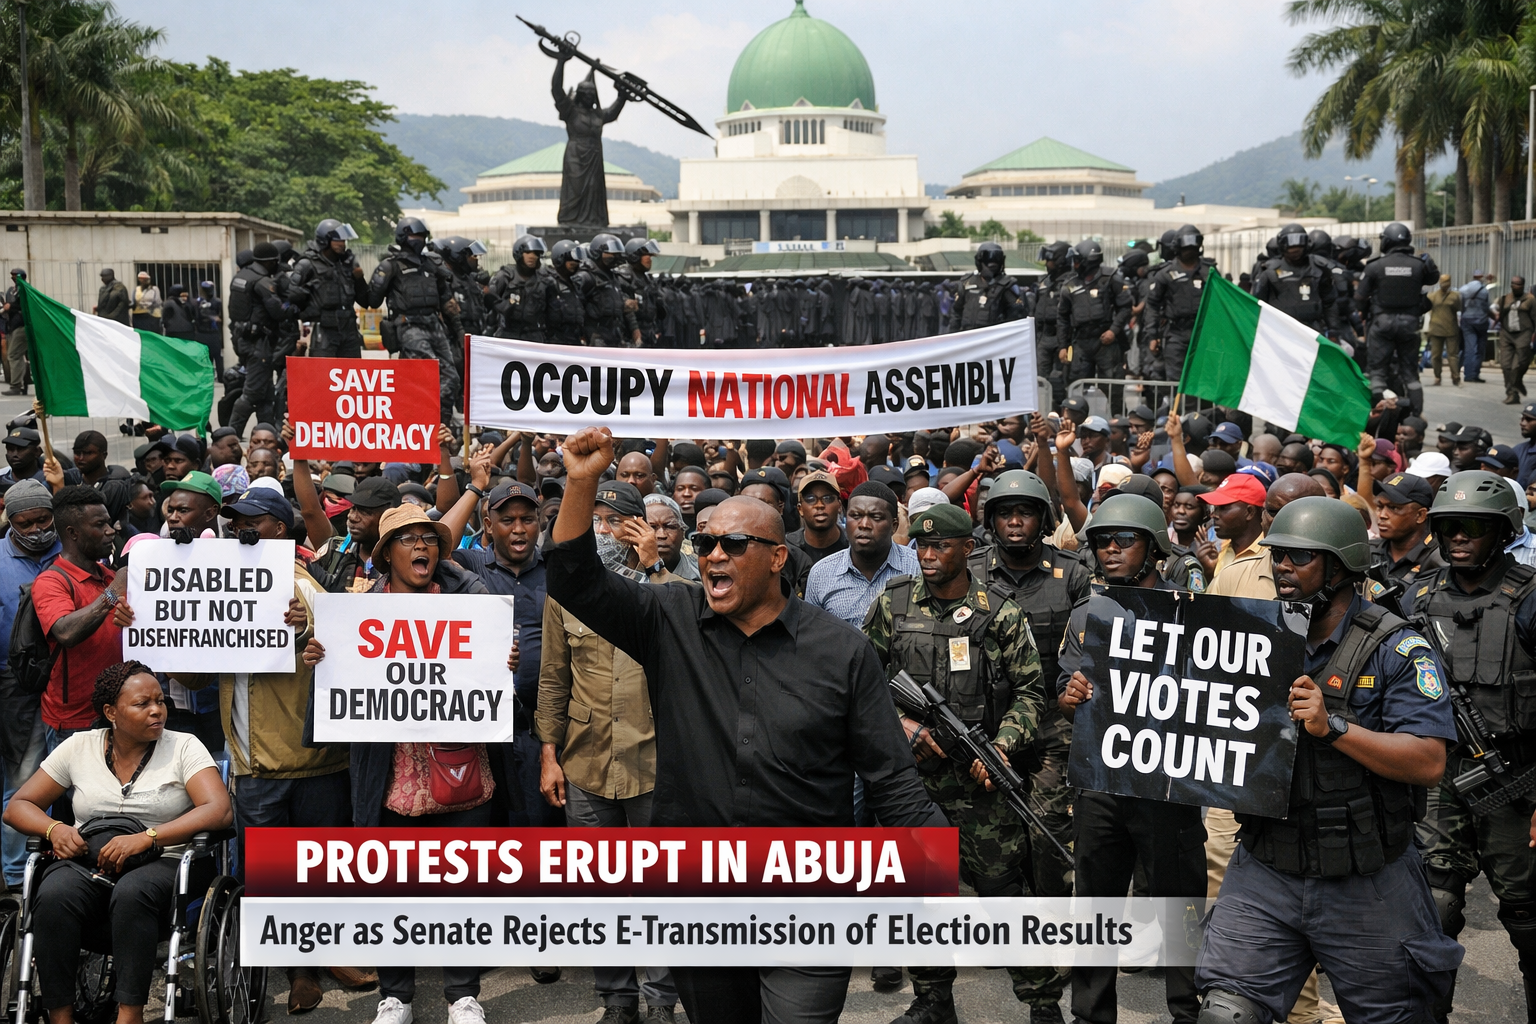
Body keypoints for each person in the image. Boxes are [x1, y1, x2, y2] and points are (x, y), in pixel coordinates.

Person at [544, 426, 945, 1024]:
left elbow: (891, 780)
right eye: (705, 544)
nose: (713, 556)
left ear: (777, 557)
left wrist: (936, 870)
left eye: (733, 544)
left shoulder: (842, 652)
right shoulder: (667, 618)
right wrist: (580, 481)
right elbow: (573, 580)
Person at [1191, 495, 1462, 1022]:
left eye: (1300, 557)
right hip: (1267, 864)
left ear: (1340, 567)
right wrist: (1101, 698)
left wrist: (1332, 727)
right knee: (1226, 1014)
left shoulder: (1395, 649)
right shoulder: (1252, 636)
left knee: (1397, 1016)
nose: (1282, 568)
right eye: (1278, 556)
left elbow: (1428, 761)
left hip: (1366, 876)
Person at [304, 504, 517, 1024]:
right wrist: (322, 662)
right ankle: (395, 996)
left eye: (429, 539)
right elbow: (338, 703)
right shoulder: (356, 614)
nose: (421, 547)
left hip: (461, 775)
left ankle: (462, 996)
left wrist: (503, 661)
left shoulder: (470, 605)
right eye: (408, 539)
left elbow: (499, 691)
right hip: (388, 781)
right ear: (387, 555)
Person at [863, 501, 1056, 1024]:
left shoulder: (999, 611)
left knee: (1001, 896)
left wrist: (1002, 747)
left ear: (968, 549)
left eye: (939, 545)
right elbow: (860, 681)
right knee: (924, 894)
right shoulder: (894, 604)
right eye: (921, 545)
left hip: (982, 783)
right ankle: (932, 998)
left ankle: (1042, 1004)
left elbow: (1033, 693)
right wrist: (905, 727)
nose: (926, 555)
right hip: (914, 783)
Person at [3, 662, 233, 1024]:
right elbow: (18, 806)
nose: (157, 710)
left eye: (160, 701)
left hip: (166, 858)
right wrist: (55, 830)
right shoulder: (80, 747)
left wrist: (147, 837)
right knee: (53, 893)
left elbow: (218, 810)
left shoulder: (183, 746)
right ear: (111, 712)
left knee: (132, 891)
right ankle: (60, 1015)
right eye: (142, 704)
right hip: (89, 857)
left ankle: (130, 1014)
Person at [1056, 494, 1207, 1024]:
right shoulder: (1087, 613)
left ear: (1154, 547)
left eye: (1125, 540)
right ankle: (1090, 1015)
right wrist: (1070, 694)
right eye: (1101, 541)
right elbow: (1063, 689)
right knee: (1094, 908)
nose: (1111, 550)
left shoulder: (1196, 615)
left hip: (1170, 784)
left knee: (1181, 911)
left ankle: (1189, 1012)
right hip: (1101, 784)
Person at [537, 479, 683, 1024]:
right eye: (590, 520)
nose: (597, 530)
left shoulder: (671, 585)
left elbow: (688, 647)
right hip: (586, 759)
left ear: (632, 529)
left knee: (659, 889)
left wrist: (654, 567)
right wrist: (550, 755)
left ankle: (660, 1000)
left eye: (608, 521)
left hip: (656, 761)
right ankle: (617, 1000)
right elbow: (552, 679)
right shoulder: (563, 593)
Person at [1409, 471, 1536, 1020]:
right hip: (1439, 774)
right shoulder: (1416, 598)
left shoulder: (1529, 600)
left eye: (1475, 528)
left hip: (1516, 781)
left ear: (1503, 532)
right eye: (1449, 527)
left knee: (1528, 918)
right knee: (1432, 909)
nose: (1459, 538)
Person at [34, 486, 128, 752]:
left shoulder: (108, 576)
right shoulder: (52, 581)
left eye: (109, 522)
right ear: (72, 533)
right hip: (75, 723)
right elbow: (66, 632)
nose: (111, 530)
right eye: (100, 524)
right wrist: (113, 594)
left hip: (117, 714)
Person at [0, 480, 60, 886]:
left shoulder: (71, 551)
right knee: (22, 779)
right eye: (27, 523)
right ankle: (17, 875)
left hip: (65, 679)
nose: (38, 530)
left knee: (62, 775)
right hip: (12, 685)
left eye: (44, 520)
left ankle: (54, 864)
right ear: (11, 522)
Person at [367, 218, 461, 424]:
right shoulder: (390, 266)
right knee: (425, 376)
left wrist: (460, 334)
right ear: (402, 237)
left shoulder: (431, 264)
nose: (418, 240)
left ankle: (440, 424)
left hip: (435, 325)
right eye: (413, 236)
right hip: (408, 326)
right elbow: (371, 299)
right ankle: (419, 422)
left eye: (421, 236)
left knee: (451, 379)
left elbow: (447, 300)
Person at [1355, 223, 1439, 414]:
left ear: (1386, 240)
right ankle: (1416, 416)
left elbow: (1360, 297)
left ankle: (1378, 411)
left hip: (1382, 323)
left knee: (1377, 372)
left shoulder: (1375, 266)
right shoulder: (1418, 265)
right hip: (1410, 324)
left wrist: (1365, 311)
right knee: (1410, 375)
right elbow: (1433, 279)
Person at [1145, 223, 1217, 382]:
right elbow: (1153, 305)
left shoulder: (1210, 272)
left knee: (1203, 380)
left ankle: (1200, 408)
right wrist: (1152, 336)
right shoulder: (1165, 274)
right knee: (1177, 382)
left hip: (1204, 334)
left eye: (1194, 244)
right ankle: (1181, 408)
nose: (1190, 248)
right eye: (1186, 245)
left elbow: (1221, 303)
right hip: (1176, 334)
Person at [291, 219, 367, 359]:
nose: (342, 244)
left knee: (352, 375)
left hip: (349, 331)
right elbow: (291, 297)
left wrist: (359, 279)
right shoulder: (307, 264)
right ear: (325, 240)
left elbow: (365, 300)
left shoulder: (347, 264)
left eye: (344, 240)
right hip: (323, 330)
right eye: (337, 240)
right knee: (322, 375)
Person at [1059, 239, 1132, 384]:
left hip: (1106, 342)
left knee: (1113, 388)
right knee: (1077, 385)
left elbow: (1125, 306)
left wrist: (1113, 330)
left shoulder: (1110, 278)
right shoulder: (1069, 285)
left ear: (1090, 260)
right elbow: (1062, 318)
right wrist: (1063, 346)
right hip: (1081, 342)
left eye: (1078, 261)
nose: (1075, 265)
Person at [1255, 223, 1341, 342]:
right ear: (1282, 246)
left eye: (1298, 247)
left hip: (1313, 331)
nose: (1294, 251)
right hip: (1280, 332)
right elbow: (1257, 303)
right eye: (1291, 248)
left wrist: (1333, 330)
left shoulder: (1320, 268)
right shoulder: (1270, 272)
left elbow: (1329, 302)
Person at [1199, 472, 1270, 597]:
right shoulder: (1220, 551)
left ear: (1249, 512)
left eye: (1223, 508)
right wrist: (1209, 574)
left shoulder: (1270, 557)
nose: (1214, 515)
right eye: (1214, 508)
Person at [947, 241, 1027, 333]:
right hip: (967, 338)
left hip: (993, 340)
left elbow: (1016, 318)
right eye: (988, 259)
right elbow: (956, 314)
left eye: (996, 259)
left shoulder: (1007, 285)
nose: (992, 264)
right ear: (979, 261)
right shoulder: (967, 283)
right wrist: (952, 337)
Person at [489, 235, 554, 343]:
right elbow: (490, 302)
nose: (532, 256)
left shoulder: (544, 281)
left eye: (536, 253)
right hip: (508, 334)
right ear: (519, 253)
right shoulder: (506, 276)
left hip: (534, 336)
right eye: (528, 252)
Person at [787, 470, 847, 565]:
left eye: (827, 498)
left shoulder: (853, 545)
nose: (819, 505)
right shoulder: (789, 548)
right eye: (810, 499)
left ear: (839, 506)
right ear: (800, 509)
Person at [616, 238, 667, 347]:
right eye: (646, 255)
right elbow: (627, 311)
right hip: (631, 335)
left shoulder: (647, 280)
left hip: (650, 334)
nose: (649, 259)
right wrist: (635, 331)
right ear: (634, 256)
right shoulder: (625, 276)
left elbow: (659, 312)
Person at [1497, 275, 1536, 404]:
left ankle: (1516, 384)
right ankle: (1511, 393)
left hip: (1523, 333)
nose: (1515, 286)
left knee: (1518, 365)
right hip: (1507, 333)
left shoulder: (1530, 299)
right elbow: (1498, 313)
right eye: (1513, 284)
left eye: (1518, 284)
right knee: (1506, 365)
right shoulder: (1505, 298)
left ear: (1523, 286)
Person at [546, 240, 588, 346]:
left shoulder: (576, 284)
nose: (575, 264)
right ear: (560, 259)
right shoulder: (548, 283)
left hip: (574, 340)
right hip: (555, 341)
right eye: (571, 260)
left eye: (577, 260)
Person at [1426, 274, 1464, 387]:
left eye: (1447, 282)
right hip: (1436, 329)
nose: (1444, 284)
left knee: (1452, 355)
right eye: (1443, 281)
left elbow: (1458, 307)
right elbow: (1427, 308)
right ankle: (1437, 377)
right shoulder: (1432, 296)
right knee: (1435, 355)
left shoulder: (1455, 296)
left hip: (1451, 329)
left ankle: (1455, 377)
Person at [64, 430, 130, 488]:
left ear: (104, 455)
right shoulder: (69, 478)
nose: (81, 458)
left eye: (88, 453)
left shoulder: (119, 485)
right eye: (77, 453)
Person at [1460, 270, 1494, 384]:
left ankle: (1467, 374)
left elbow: (1460, 307)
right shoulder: (1484, 291)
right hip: (1481, 321)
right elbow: (1486, 308)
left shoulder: (1463, 289)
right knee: (1479, 349)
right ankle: (1475, 374)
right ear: (1481, 277)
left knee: (1469, 348)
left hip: (1467, 321)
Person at [2, 268, 28, 394]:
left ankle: (16, 385)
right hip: (16, 326)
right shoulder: (14, 291)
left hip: (22, 325)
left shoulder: (24, 289)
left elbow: (23, 305)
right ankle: (23, 381)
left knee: (13, 354)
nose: (13, 278)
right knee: (19, 354)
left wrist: (10, 306)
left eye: (15, 276)